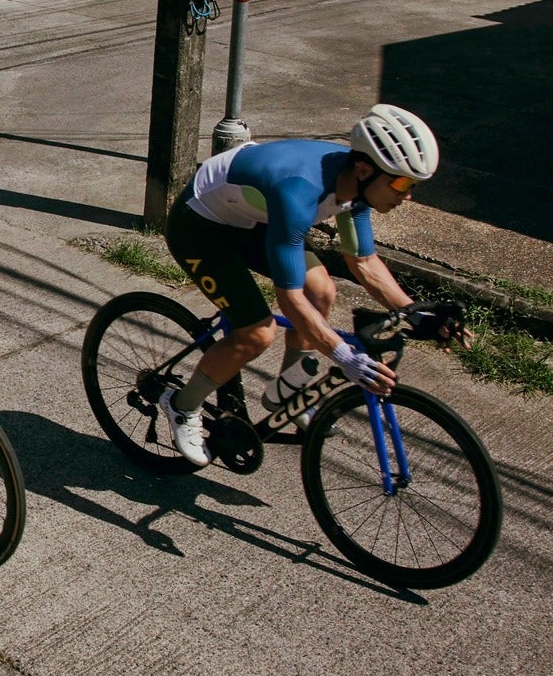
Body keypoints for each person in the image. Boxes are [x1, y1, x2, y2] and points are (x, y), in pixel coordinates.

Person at [158, 104, 449, 467]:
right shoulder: (299, 191)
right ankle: (181, 405)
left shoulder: (355, 186)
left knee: (322, 290)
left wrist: (416, 314)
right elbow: (290, 299)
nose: (408, 195)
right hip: (201, 227)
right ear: (363, 168)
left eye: (414, 185)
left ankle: (286, 393)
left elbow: (362, 261)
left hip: (254, 217)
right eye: (402, 183)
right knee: (256, 333)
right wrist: (343, 355)